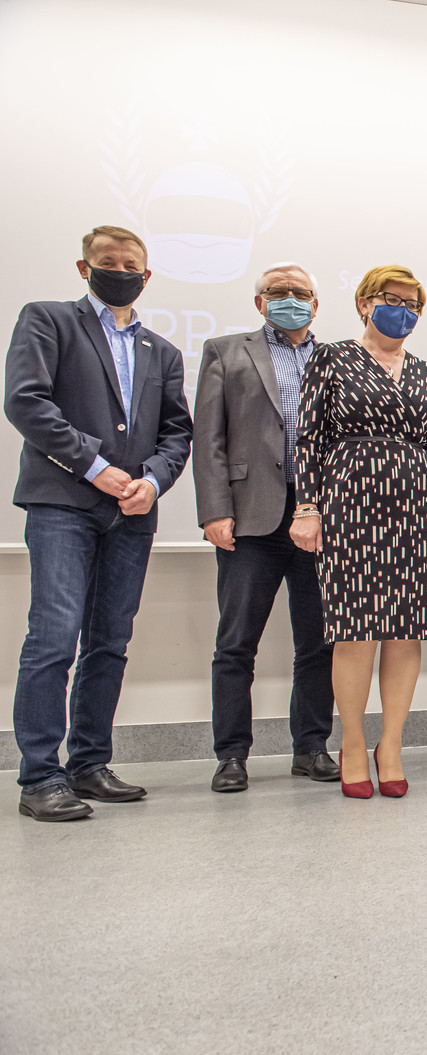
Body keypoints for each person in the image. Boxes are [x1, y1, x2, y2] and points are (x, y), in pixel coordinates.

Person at [4, 224, 192, 822]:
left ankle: (89, 763)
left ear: (147, 275)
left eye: (131, 264)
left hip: (132, 511)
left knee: (109, 642)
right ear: (85, 268)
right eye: (109, 262)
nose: (121, 271)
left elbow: (176, 432)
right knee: (54, 637)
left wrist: (153, 481)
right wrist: (96, 468)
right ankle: (40, 776)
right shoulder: (49, 319)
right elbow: (26, 401)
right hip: (63, 503)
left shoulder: (162, 350)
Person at [289, 265, 427, 799]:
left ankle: (392, 744)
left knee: (406, 631)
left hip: (415, 508)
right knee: (356, 630)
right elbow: (309, 438)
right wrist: (307, 506)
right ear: (365, 302)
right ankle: (353, 743)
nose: (402, 310)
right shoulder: (331, 357)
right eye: (392, 299)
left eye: (413, 304)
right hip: (350, 502)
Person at [193, 262, 337, 792]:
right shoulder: (226, 351)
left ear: (315, 304)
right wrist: (214, 510)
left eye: (301, 292)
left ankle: (311, 748)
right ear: (260, 302)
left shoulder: (337, 358)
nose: (290, 299)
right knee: (236, 644)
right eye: (278, 291)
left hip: (320, 518)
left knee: (318, 643)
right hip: (250, 518)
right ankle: (231, 756)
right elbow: (208, 437)